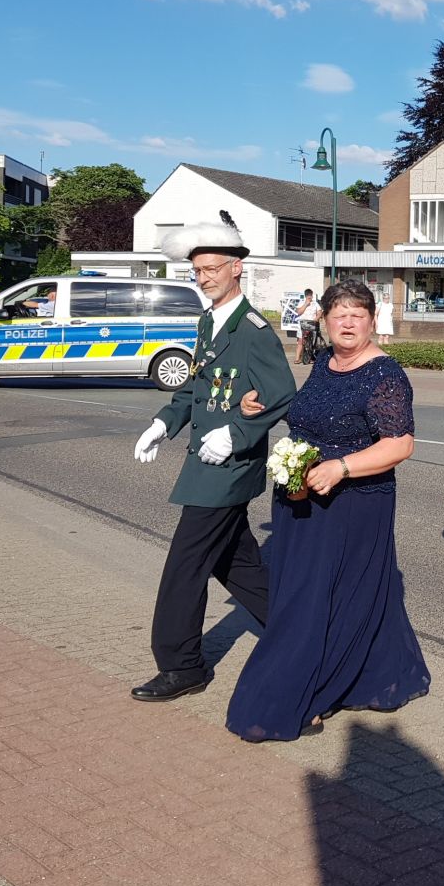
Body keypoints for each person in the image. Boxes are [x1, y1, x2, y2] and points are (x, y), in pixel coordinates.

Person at [227, 280, 428, 741]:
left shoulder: (385, 375)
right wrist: (260, 407)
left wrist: (341, 467)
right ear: (324, 320)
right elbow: (311, 416)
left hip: (352, 503)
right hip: (301, 497)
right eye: (339, 314)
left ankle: (313, 690)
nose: (348, 323)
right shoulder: (323, 363)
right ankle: (371, 673)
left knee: (324, 597)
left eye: (358, 315)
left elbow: (400, 444)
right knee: (308, 591)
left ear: (372, 321)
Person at [130, 212, 296, 702]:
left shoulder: (253, 330)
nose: (204, 278)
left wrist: (237, 433)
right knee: (237, 563)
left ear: (236, 268)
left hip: (228, 468)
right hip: (204, 462)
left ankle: (182, 665)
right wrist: (163, 423)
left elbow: (282, 394)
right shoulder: (209, 321)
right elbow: (196, 386)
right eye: (197, 271)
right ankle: (301, 630)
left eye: (212, 269)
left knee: (184, 567)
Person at [294, 289, 322, 364]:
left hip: (312, 324)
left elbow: (319, 313)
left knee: (312, 342)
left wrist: (316, 319)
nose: (309, 297)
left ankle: (310, 358)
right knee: (300, 341)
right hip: (302, 324)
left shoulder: (315, 303)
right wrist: (306, 304)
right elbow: (298, 312)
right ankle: (297, 358)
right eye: (308, 295)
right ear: (305, 296)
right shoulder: (301, 302)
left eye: (310, 295)